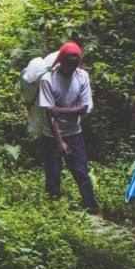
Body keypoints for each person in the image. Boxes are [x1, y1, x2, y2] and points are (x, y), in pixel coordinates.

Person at [37, 41, 99, 214]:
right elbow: (50, 114)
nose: (72, 66)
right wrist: (59, 141)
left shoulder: (82, 76)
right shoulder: (48, 80)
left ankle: (92, 210)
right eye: (68, 62)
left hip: (74, 132)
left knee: (81, 173)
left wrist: (61, 110)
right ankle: (54, 213)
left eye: (75, 62)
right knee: (53, 175)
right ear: (61, 60)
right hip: (51, 135)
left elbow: (86, 107)